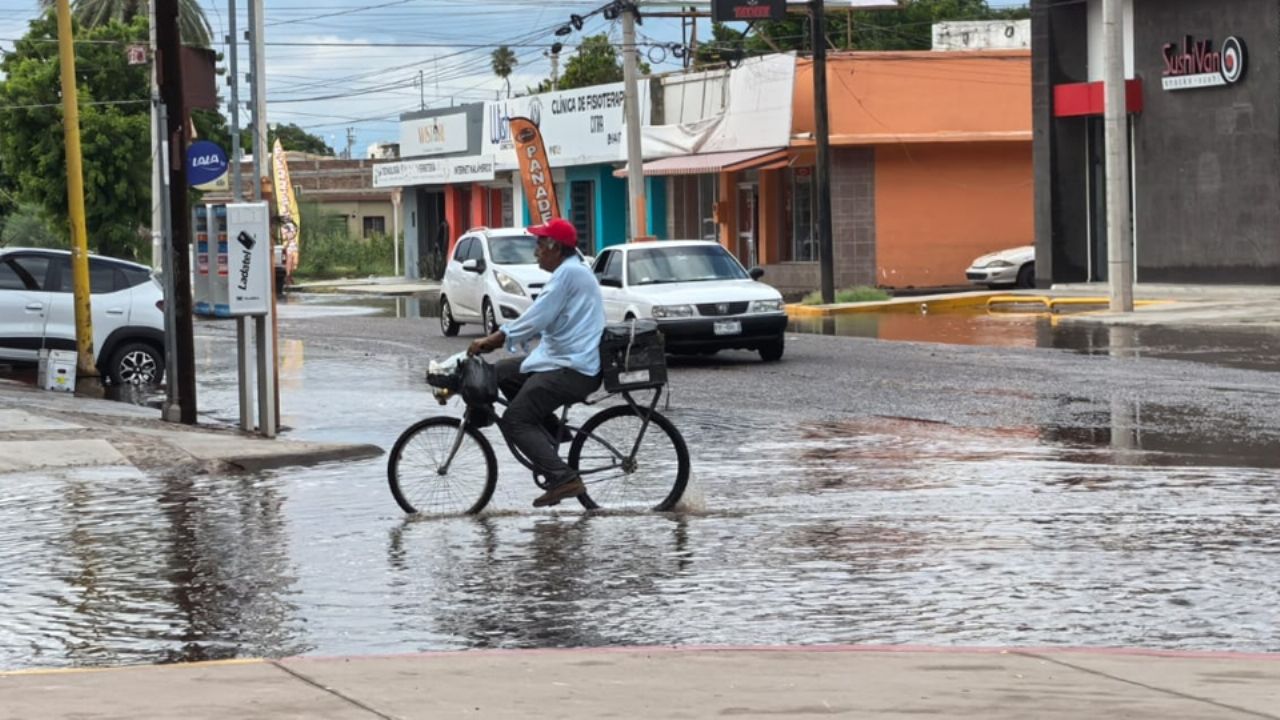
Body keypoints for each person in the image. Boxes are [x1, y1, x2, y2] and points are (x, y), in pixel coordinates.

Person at [468, 218, 605, 508]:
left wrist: (494, 339)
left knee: (516, 420)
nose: (536, 252)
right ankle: (550, 430)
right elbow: (542, 317)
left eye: (540, 245)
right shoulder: (568, 272)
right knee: (498, 373)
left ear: (555, 247)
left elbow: (537, 317)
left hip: (573, 368)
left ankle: (563, 477)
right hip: (557, 359)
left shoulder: (568, 274)